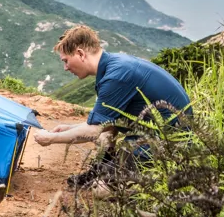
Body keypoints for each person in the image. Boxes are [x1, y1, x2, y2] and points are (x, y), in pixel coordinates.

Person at [33, 25, 192, 186]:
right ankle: (100, 172)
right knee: (106, 133)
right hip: (157, 136)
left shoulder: (116, 76)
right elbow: (104, 123)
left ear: (80, 54)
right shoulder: (114, 65)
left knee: (101, 190)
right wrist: (69, 127)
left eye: (66, 61)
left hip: (167, 144)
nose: (65, 68)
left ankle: (130, 184)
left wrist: (51, 138)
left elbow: (94, 130)